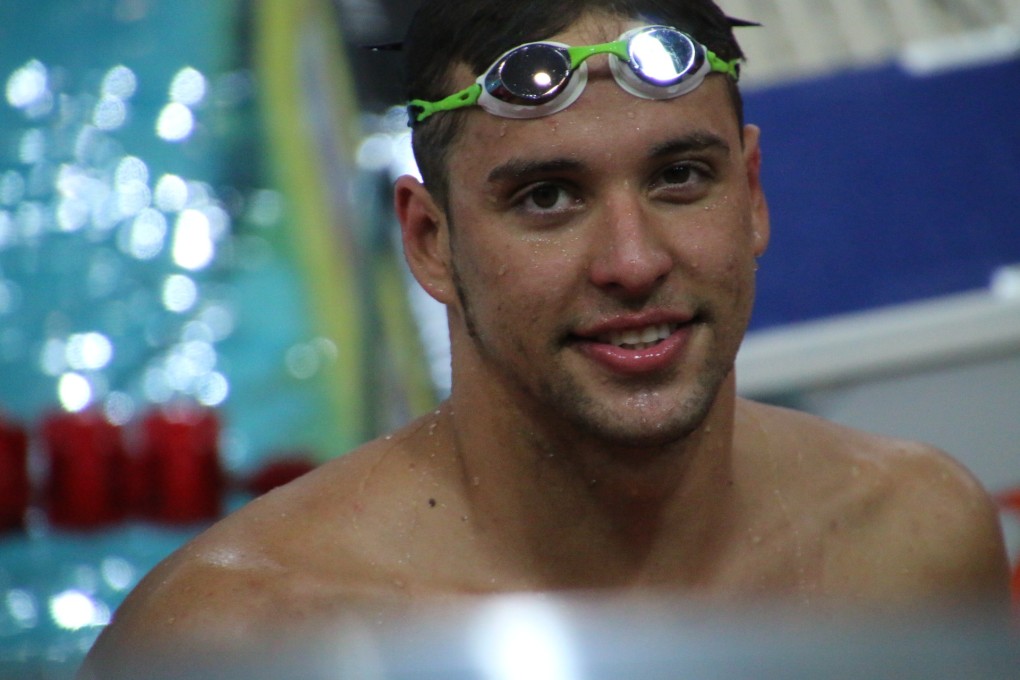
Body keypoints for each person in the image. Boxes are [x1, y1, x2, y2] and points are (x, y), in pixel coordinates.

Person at [81, 0, 1011, 674]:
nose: (633, 260)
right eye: (548, 197)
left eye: (681, 177)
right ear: (429, 241)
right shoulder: (244, 640)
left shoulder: (915, 541)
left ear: (755, 195)